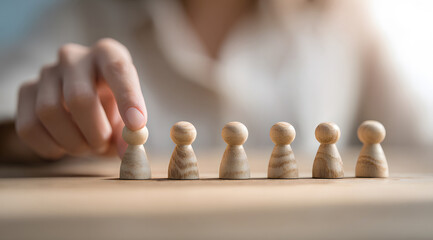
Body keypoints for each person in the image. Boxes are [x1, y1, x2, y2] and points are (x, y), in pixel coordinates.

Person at [1, 0, 430, 161]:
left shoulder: (341, 17)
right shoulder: (83, 15)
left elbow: (420, 136)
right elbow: (10, 109)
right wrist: (26, 132)